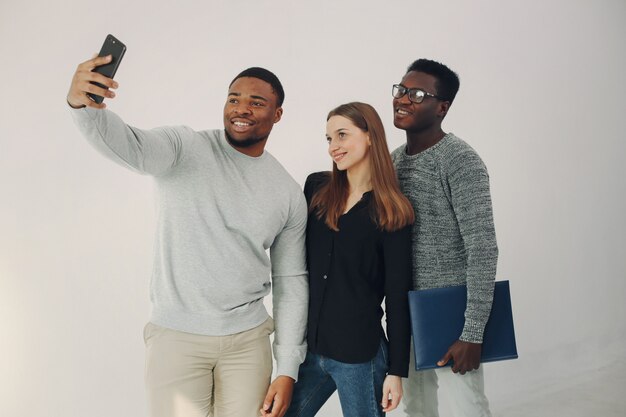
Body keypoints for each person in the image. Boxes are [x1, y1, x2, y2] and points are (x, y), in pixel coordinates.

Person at [66, 54, 308, 417]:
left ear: (277, 114)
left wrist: (288, 367)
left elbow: (290, 282)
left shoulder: (287, 192)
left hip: (248, 341)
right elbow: (130, 146)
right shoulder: (185, 147)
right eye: (233, 98)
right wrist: (83, 105)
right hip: (177, 337)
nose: (241, 109)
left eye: (257, 102)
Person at [283, 102, 414, 417]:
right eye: (328, 138)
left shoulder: (391, 211)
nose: (333, 147)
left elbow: (398, 297)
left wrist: (396, 371)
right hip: (311, 350)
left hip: (360, 356)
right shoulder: (316, 188)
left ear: (370, 136)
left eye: (342, 135)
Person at [390, 58, 499, 417]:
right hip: (405, 314)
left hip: (450, 315)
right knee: (416, 408)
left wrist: (472, 333)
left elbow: (482, 248)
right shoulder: (392, 162)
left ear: (442, 107)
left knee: (467, 408)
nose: (404, 99)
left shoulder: (459, 160)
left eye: (417, 94)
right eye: (402, 90)